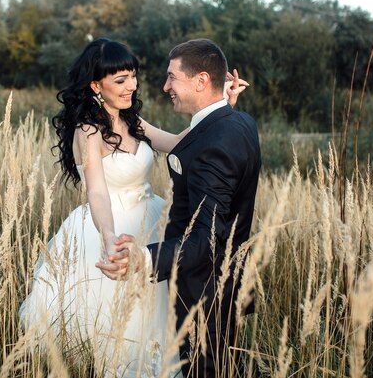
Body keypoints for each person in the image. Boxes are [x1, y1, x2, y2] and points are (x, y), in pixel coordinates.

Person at [19, 38, 248, 377]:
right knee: (113, 326)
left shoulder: (133, 121)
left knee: (157, 313)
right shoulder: (88, 130)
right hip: (108, 224)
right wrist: (109, 235)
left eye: (133, 76)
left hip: (151, 221)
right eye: (120, 80)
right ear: (97, 85)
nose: (132, 86)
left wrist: (222, 103)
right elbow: (96, 192)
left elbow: (179, 143)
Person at [96, 39, 261, 378]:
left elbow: (206, 238)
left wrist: (144, 259)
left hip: (204, 287)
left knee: (206, 368)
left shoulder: (214, 143)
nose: (164, 85)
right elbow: (193, 140)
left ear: (201, 81)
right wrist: (226, 103)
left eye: (172, 77)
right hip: (224, 277)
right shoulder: (241, 123)